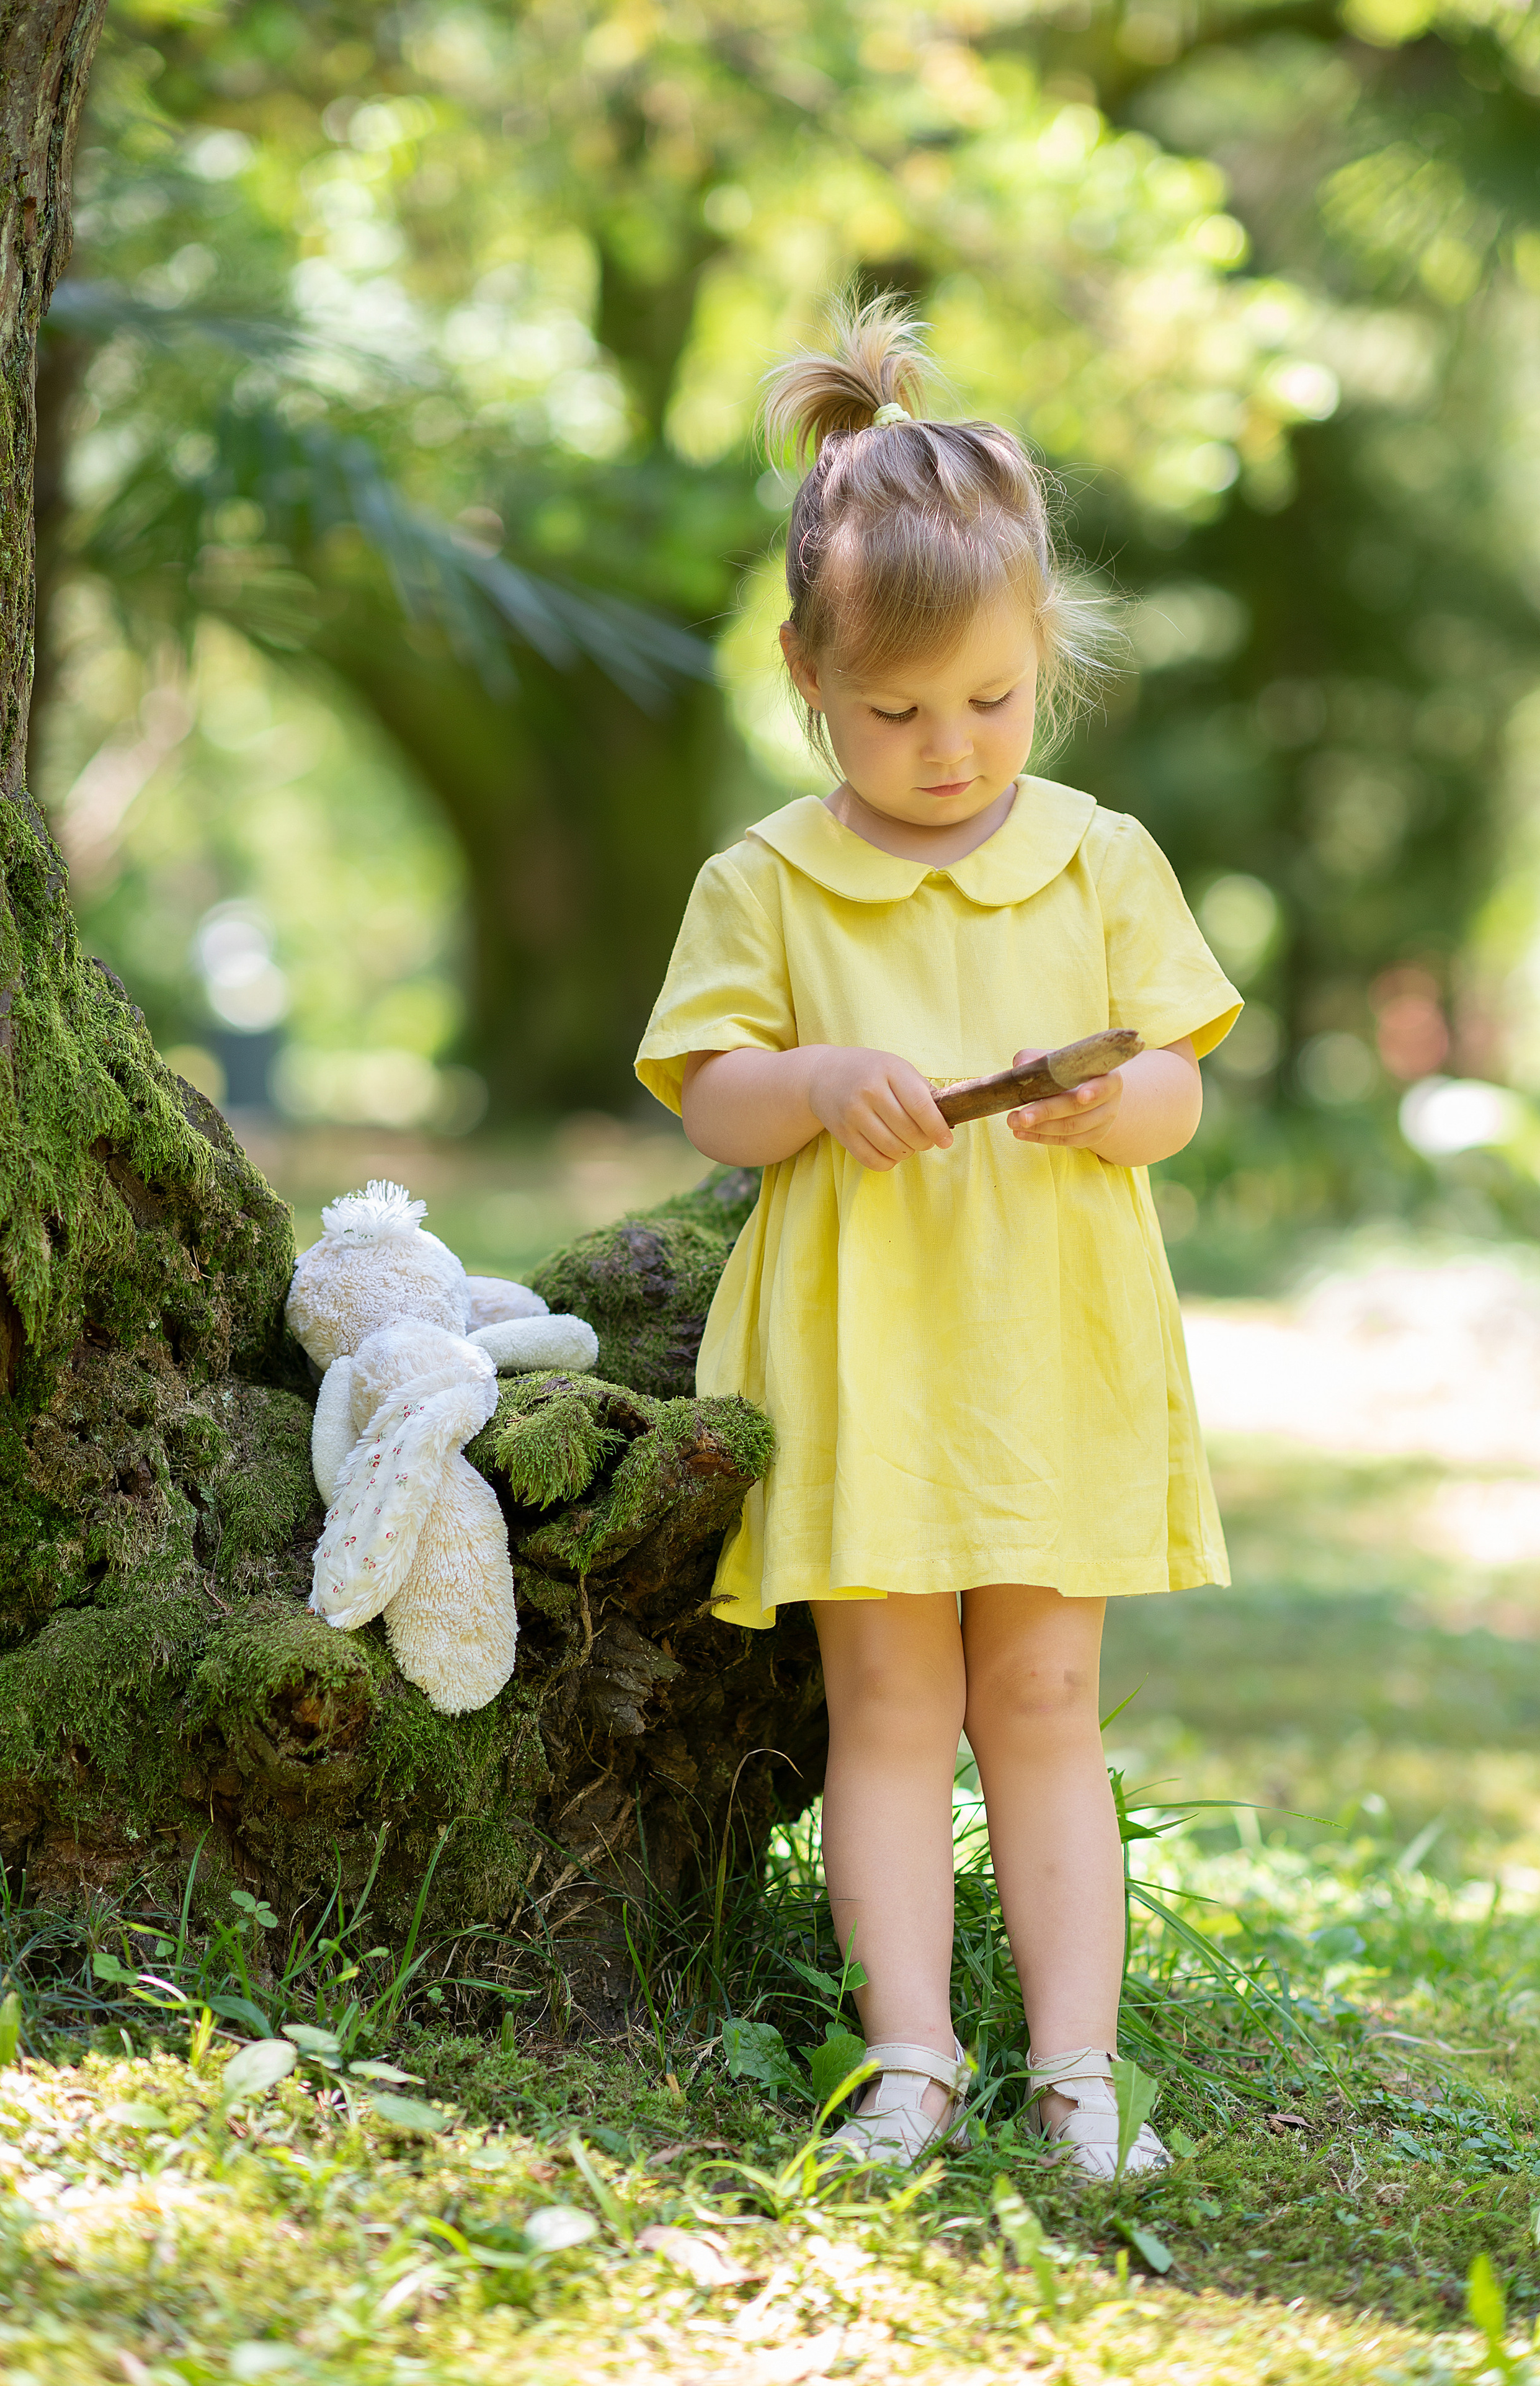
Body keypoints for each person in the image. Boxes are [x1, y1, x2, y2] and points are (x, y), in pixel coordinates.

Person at [635, 295, 1241, 2179]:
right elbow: (710, 1097)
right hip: (868, 1356)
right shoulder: (768, 878)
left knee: (1042, 1698)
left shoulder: (1099, 856)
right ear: (807, 676)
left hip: (1049, 1345)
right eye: (896, 713)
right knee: (889, 1700)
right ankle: (910, 2052)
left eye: (989, 700)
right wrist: (817, 1080)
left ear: (1041, 653)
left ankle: (1079, 2067)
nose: (950, 747)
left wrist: (1112, 1107)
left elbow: (1178, 1084)